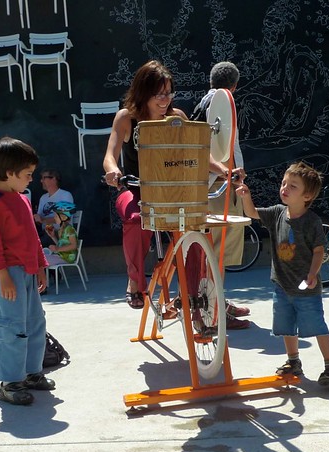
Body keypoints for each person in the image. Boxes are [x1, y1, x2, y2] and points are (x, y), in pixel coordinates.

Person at [103, 60, 230, 309]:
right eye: (159, 94)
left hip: (173, 191)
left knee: (197, 222)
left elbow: (200, 155)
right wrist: (113, 171)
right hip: (136, 188)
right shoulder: (127, 118)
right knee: (136, 217)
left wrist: (226, 171)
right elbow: (110, 154)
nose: (165, 99)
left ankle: (194, 291)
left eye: (169, 93)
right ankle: (135, 282)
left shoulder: (177, 118)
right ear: (144, 92)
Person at [236, 161, 329, 386]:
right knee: (286, 327)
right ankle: (294, 361)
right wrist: (246, 195)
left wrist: (313, 274)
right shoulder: (276, 213)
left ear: (308, 195)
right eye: (284, 183)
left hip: (306, 289)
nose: (285, 188)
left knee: (317, 326)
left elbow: (319, 251)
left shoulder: (311, 221)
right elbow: (252, 213)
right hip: (282, 286)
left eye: (293, 186)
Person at [0, 136, 56, 406]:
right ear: (10, 173)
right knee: (12, 327)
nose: (31, 180)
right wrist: (2, 277)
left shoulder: (23, 199)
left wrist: (41, 267)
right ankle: (10, 381)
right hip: (8, 275)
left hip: (27, 271)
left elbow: (33, 238)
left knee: (36, 323)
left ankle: (32, 373)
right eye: (27, 175)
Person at [192, 61, 251, 329]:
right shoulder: (222, 105)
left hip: (209, 184)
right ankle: (214, 312)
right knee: (218, 253)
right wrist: (231, 175)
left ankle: (217, 302)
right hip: (219, 186)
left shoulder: (203, 104)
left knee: (212, 253)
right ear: (235, 86)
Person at [33, 168, 74, 246]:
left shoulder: (65, 195)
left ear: (54, 179)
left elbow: (64, 218)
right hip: (45, 233)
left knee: (34, 243)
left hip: (60, 234)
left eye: (44, 178)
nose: (41, 181)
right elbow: (39, 222)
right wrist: (36, 218)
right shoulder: (43, 198)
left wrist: (43, 220)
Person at [43, 201, 78, 267]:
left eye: (56, 216)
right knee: (40, 257)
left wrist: (57, 249)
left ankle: (41, 277)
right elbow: (60, 245)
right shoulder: (61, 230)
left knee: (40, 260)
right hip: (61, 256)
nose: (54, 218)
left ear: (63, 217)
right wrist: (53, 236)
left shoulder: (69, 229)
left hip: (66, 258)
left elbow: (74, 245)